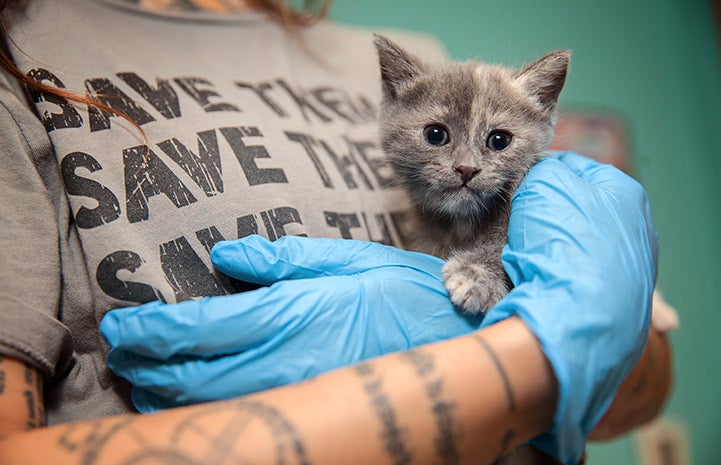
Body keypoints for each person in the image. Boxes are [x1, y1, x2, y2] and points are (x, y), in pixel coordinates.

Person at [0, 1, 672, 464]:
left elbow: (642, 388)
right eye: (439, 137)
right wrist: (520, 363)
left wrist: (602, 317)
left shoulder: (431, 67)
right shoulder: (20, 54)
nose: (465, 160)